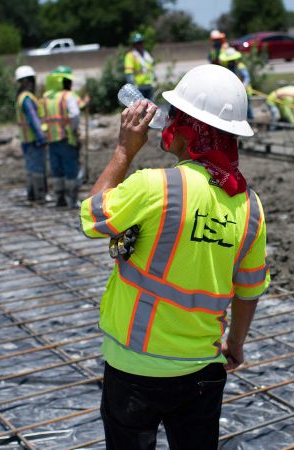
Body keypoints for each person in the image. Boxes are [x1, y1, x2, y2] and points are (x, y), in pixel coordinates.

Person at [79, 64, 269, 450]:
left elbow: (92, 216)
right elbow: (249, 289)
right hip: (201, 370)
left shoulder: (156, 185)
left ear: (188, 128)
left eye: (176, 116)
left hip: (134, 367)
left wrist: (122, 151)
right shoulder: (249, 205)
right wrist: (235, 345)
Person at [41, 65, 84, 208]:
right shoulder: (67, 96)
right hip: (67, 139)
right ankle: (72, 199)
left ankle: (59, 198)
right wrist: (73, 129)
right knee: (71, 169)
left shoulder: (47, 97)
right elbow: (75, 114)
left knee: (56, 170)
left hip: (52, 140)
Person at [15, 65, 48, 203]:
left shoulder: (20, 97)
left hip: (25, 139)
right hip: (34, 140)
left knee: (30, 168)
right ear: (28, 81)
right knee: (37, 169)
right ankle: (39, 196)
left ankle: (31, 195)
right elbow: (34, 119)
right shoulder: (28, 98)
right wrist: (41, 137)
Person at [219, 47, 254, 120]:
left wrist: (243, 86)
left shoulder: (240, 66)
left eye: (232, 60)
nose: (230, 62)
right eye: (229, 60)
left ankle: (251, 122)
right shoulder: (228, 68)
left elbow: (247, 78)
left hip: (245, 91)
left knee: (247, 108)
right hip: (234, 93)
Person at [124, 32, 156, 100]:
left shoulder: (146, 55)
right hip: (138, 86)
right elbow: (129, 73)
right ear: (134, 45)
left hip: (148, 84)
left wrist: (154, 79)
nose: (140, 45)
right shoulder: (130, 56)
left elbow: (150, 69)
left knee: (150, 106)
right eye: (137, 43)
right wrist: (133, 86)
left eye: (141, 42)